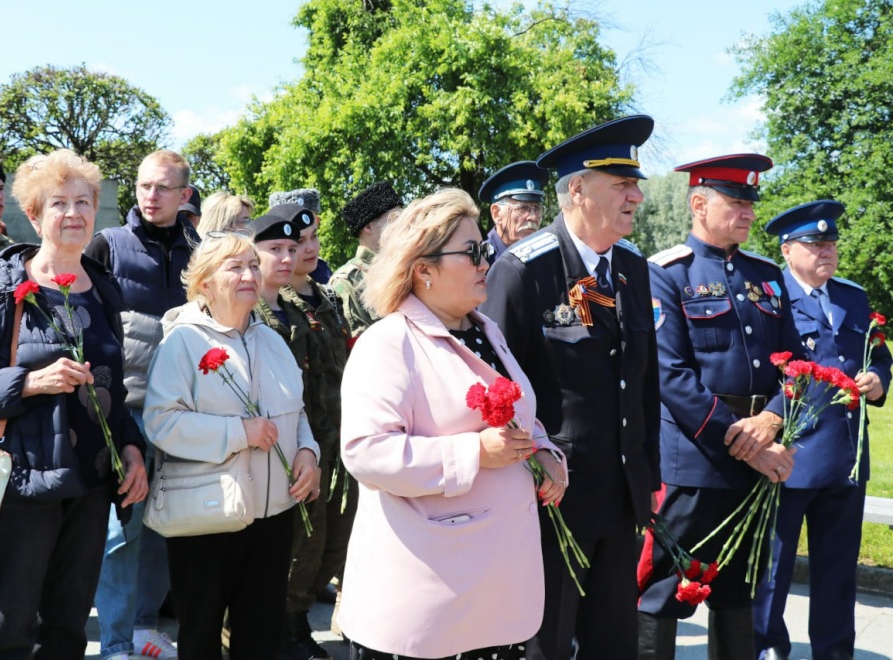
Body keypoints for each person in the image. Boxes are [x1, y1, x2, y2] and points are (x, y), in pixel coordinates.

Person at [0, 149, 149, 659]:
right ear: (33, 214)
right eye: (58, 203)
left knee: (68, 631)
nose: (73, 213)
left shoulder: (104, 288)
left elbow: (111, 389)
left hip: (90, 487)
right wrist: (28, 382)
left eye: (83, 202)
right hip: (22, 486)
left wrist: (131, 448)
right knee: (10, 632)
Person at [338, 188, 565, 659]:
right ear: (424, 269)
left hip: (493, 594)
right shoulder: (388, 342)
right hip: (427, 599)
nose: (486, 261)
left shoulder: (485, 331)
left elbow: (519, 415)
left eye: (483, 249)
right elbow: (366, 452)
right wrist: (474, 453)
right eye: (472, 252)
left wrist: (543, 450)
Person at [480, 115, 661, 659]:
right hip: (553, 499)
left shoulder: (631, 267)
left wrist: (648, 475)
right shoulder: (523, 270)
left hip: (621, 496)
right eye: (622, 185)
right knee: (547, 644)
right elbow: (496, 392)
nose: (636, 197)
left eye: (635, 185)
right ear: (578, 190)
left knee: (615, 644)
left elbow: (643, 381)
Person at [636, 154, 807, 659]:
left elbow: (797, 365)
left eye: (750, 203)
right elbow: (671, 376)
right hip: (695, 463)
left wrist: (773, 418)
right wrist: (748, 444)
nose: (748, 212)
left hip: (757, 459)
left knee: (739, 591)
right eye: (735, 202)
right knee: (662, 589)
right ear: (698, 204)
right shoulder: (666, 273)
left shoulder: (766, 275)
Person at [142, 231, 320, 660]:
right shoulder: (182, 341)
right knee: (201, 638)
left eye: (253, 265)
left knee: (261, 638)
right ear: (204, 282)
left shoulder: (272, 339)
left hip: (273, 515)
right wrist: (239, 433)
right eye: (235, 267)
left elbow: (296, 411)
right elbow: (161, 423)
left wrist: (308, 453)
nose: (249, 275)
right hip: (207, 515)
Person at [753, 201, 892, 660]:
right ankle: (767, 649)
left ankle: (834, 653)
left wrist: (878, 380)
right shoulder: (769, 299)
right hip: (787, 458)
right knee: (772, 569)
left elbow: (878, 356)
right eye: (814, 244)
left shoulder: (852, 297)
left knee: (837, 572)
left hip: (846, 458)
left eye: (831, 243)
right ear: (787, 250)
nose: (826, 251)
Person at [85, 150, 199, 660]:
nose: (151, 196)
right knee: (122, 530)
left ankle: (144, 627)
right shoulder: (107, 245)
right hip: (126, 411)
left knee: (163, 527)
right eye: (144, 186)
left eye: (163, 188)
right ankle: (114, 642)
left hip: (183, 411)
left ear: (184, 195)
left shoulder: (200, 252)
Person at [257, 204, 353, 660]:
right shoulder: (271, 305)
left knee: (332, 543)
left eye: (312, 239)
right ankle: (287, 628)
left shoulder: (327, 299)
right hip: (298, 442)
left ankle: (294, 622)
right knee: (301, 543)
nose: (306, 250)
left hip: (336, 440)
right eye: (296, 244)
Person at [329, 182, 402, 339]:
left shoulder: (404, 268)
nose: (403, 226)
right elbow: (361, 343)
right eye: (395, 219)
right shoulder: (347, 281)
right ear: (368, 228)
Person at [478, 161, 548, 261]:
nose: (533, 217)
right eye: (523, 208)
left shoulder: (545, 257)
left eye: (537, 208)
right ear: (497, 214)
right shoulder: (480, 261)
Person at [269, 188, 332, 283]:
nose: (310, 248)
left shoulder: (323, 270)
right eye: (299, 241)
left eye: (314, 236)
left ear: (317, 222)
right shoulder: (271, 288)